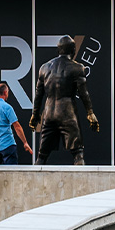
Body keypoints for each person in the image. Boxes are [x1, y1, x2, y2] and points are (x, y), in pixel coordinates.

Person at [30, 35, 99, 166]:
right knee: (78, 154)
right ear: (73, 50)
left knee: (42, 155)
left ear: (58, 50)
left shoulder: (44, 68)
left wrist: (35, 115)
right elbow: (84, 94)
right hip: (67, 114)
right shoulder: (77, 68)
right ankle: (81, 184)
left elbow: (39, 94)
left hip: (49, 114)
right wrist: (90, 113)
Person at [0, 83, 33, 165]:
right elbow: (17, 126)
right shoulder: (7, 107)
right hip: (7, 145)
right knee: (11, 172)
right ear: (5, 92)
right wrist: (25, 143)